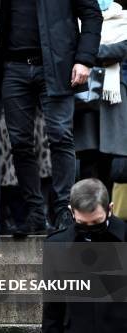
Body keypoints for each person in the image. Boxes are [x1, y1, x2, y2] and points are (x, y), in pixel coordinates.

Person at [0, 0, 103, 235]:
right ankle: (35, 213)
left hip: (57, 65)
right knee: (19, 143)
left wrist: (84, 59)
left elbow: (92, 15)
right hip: (13, 67)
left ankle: (63, 210)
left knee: (61, 136)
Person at [43, 178, 127, 333]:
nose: (90, 228)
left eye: (97, 222)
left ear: (110, 209)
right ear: (71, 212)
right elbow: (53, 311)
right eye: (83, 223)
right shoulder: (57, 246)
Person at [75, 0, 127, 195]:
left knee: (108, 157)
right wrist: (93, 53)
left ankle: (104, 211)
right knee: (87, 156)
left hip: (112, 98)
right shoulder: (79, 21)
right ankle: (87, 208)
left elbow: (121, 50)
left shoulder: (123, 19)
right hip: (86, 93)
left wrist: (86, 52)